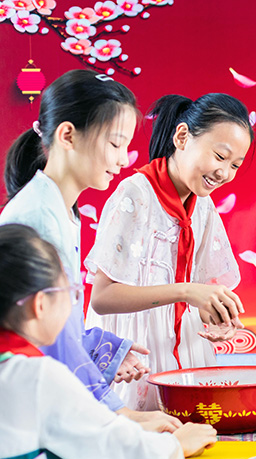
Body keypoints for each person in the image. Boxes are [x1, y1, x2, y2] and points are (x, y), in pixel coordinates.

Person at [0, 224, 216, 459]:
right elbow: (113, 448)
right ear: (39, 305)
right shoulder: (36, 376)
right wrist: (175, 445)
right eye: (71, 296)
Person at [0, 69, 174, 430]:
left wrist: (103, 347)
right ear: (67, 135)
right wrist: (119, 415)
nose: (124, 159)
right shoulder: (38, 219)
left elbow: (59, 323)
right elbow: (44, 338)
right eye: (114, 144)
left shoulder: (61, 210)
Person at [85, 93, 252, 411]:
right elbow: (102, 298)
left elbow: (199, 290)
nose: (224, 173)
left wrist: (215, 318)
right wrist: (188, 292)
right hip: (137, 352)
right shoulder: (135, 195)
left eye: (235, 166)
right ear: (182, 136)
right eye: (219, 156)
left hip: (186, 349)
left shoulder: (203, 206)